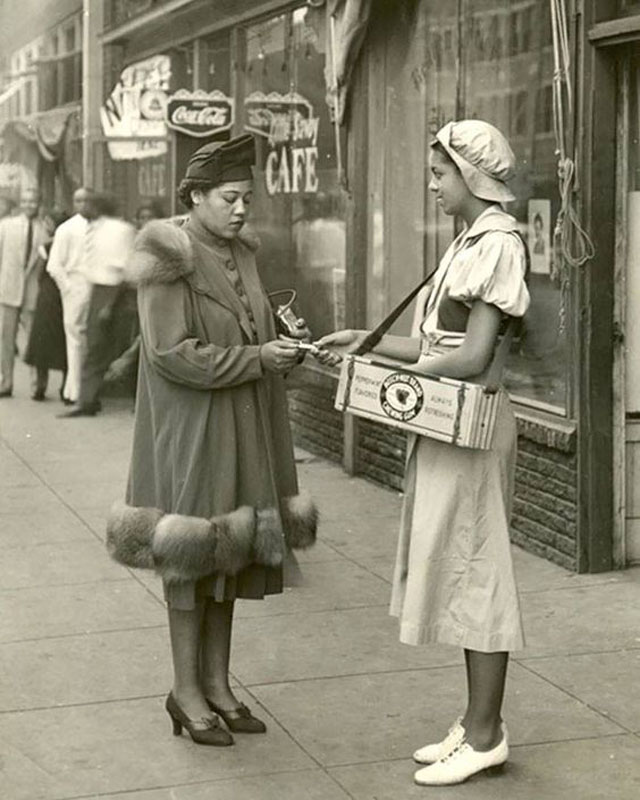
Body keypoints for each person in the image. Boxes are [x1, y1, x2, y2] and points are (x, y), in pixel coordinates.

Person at [317, 120, 530, 787]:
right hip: (448, 431)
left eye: (440, 175)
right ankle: (475, 721)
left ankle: (488, 734)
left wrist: (399, 384)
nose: (434, 187)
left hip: (471, 433)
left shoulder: (497, 245)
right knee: (462, 571)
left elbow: (470, 357)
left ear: (469, 175)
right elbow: (440, 345)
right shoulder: (466, 243)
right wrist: (369, 340)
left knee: (478, 574)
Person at [107, 134, 316, 746]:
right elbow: (171, 354)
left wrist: (283, 346)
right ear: (195, 196)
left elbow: (253, 324)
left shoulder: (240, 251)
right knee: (191, 555)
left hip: (245, 421)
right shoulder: (168, 253)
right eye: (230, 197)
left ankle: (219, 686)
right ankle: (186, 691)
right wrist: (257, 357)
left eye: (248, 197)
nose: (242, 209)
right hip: (193, 432)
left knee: (232, 550)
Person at [60, 193, 136, 417]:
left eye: (89, 204)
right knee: (97, 348)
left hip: (114, 292)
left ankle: (92, 400)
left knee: (112, 348)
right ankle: (88, 400)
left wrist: (108, 305)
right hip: (100, 291)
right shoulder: (99, 228)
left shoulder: (119, 230)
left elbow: (123, 268)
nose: (85, 208)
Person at [0, 187, 48, 398]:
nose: (30, 205)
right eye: (26, 201)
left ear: (39, 203)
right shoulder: (5, 226)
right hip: (8, 288)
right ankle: (6, 382)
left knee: (33, 338)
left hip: (32, 291)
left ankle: (37, 385)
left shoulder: (45, 229)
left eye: (33, 201)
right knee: (5, 338)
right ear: (21, 203)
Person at [46, 187, 92, 405]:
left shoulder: (100, 227)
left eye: (87, 200)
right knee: (74, 341)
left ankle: (88, 391)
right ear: (74, 203)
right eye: (78, 200)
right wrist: (68, 288)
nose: (83, 204)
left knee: (91, 341)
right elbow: (54, 265)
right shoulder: (66, 229)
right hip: (75, 287)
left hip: (97, 288)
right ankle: (74, 392)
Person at [24, 210, 69, 400]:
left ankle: (40, 387)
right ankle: (66, 387)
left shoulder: (46, 247)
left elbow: (41, 273)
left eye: (48, 223)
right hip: (66, 295)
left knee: (41, 341)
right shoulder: (70, 245)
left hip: (48, 296)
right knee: (65, 341)